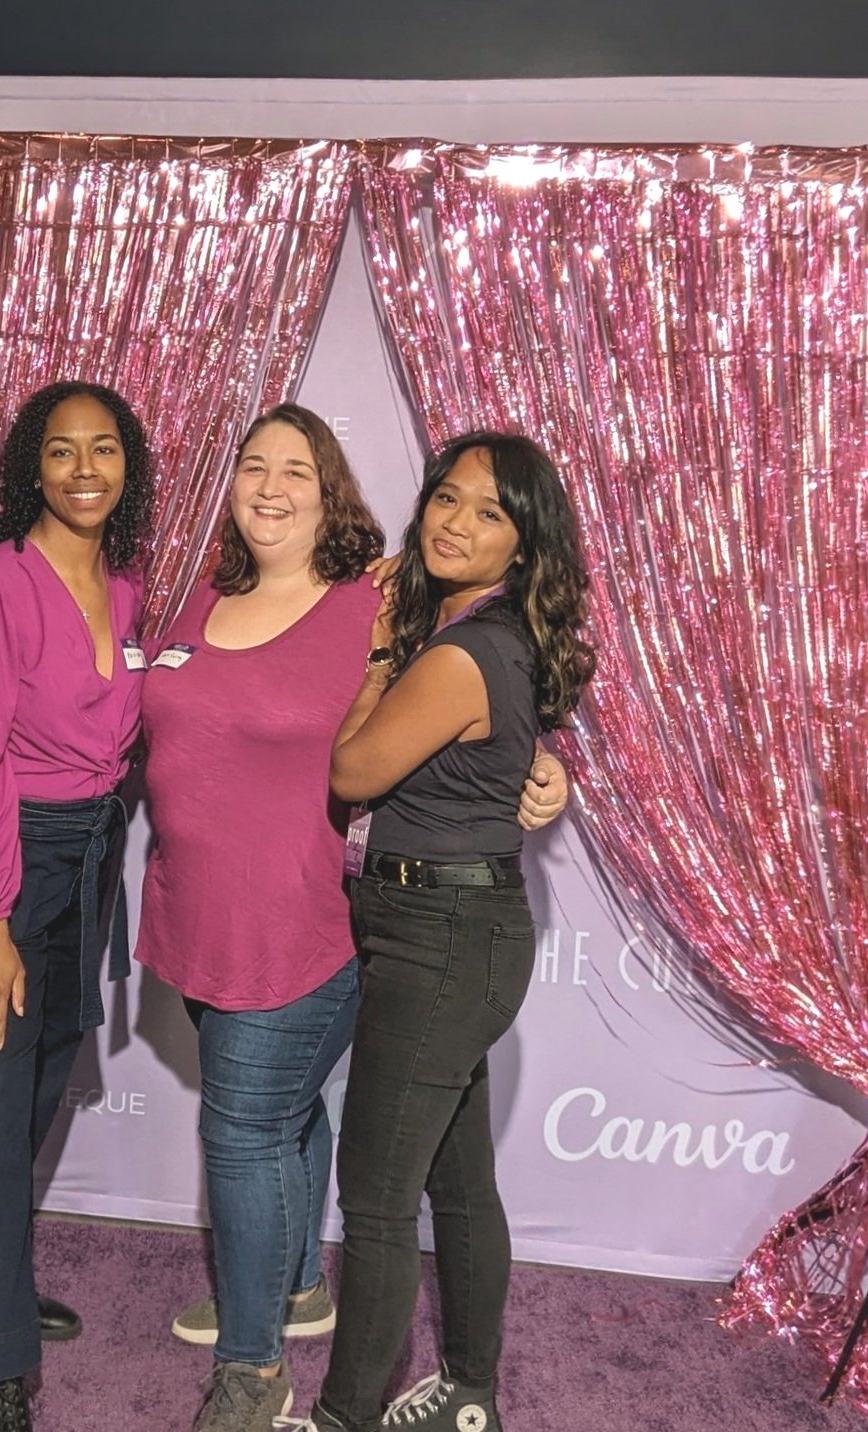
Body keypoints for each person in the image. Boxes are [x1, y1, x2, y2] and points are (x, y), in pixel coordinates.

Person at [136, 405, 568, 1432]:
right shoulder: (199, 596)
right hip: (195, 918)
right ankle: (293, 1288)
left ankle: (253, 1370)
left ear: (333, 494)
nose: (270, 487)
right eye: (252, 466)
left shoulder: (371, 604)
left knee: (244, 1131)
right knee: (286, 1112)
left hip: (303, 924)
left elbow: (466, 708)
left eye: (297, 470)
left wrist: (543, 771)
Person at [294, 432, 594, 1432]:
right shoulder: (481, 628)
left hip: (440, 939)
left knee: (377, 1200)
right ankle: (469, 1391)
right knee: (458, 1182)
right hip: (454, 931)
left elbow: (351, 773)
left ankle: (342, 1417)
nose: (455, 523)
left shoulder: (463, 651)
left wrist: (382, 651)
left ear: (523, 544)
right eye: (446, 498)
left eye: (489, 512)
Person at [0, 380, 154, 1432]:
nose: (83, 470)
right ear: (32, 467)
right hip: (5, 860)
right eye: (60, 452)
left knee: (35, 1081)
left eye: (102, 449)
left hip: (91, 856)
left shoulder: (126, 587)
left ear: (126, 464)